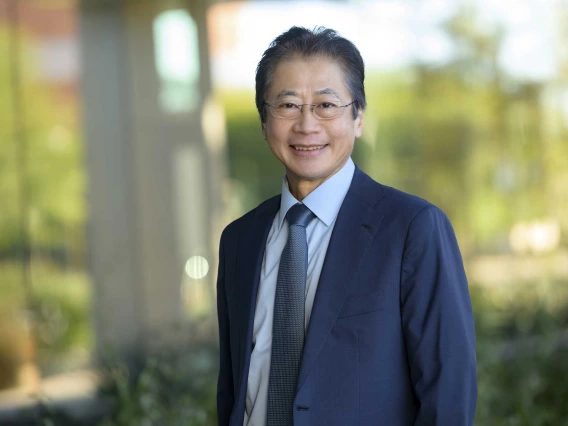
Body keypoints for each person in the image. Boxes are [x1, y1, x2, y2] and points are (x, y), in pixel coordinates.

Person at [216, 26, 477, 426]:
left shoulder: (412, 229)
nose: (306, 124)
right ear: (264, 121)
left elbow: (448, 399)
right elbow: (234, 390)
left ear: (357, 118)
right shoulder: (239, 240)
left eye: (326, 105)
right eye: (287, 105)